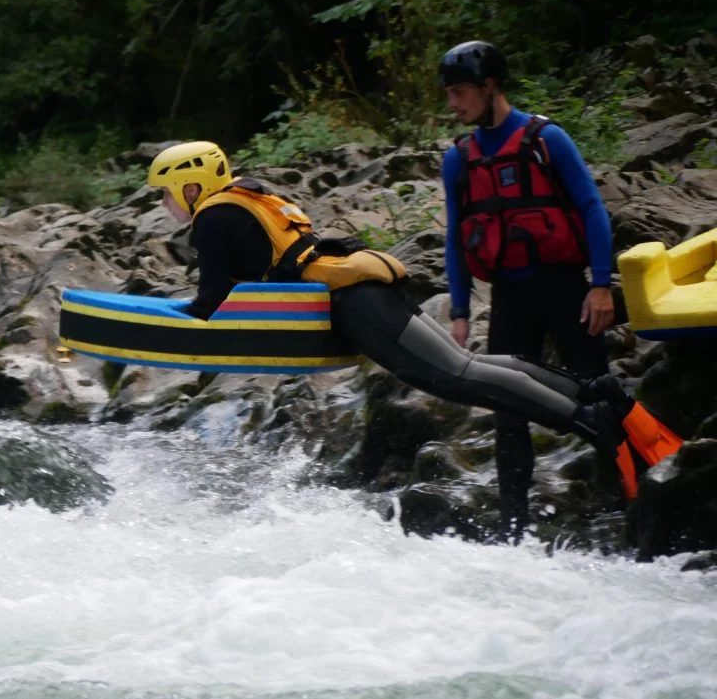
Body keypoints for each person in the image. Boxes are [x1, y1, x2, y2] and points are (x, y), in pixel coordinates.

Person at [147, 140, 666, 543]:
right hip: (367, 288)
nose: (164, 205)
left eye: (166, 194)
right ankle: (591, 392)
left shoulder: (212, 218)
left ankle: (588, 420)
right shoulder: (247, 196)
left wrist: (157, 323)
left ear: (192, 187)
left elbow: (209, 302)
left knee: (457, 377)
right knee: (466, 363)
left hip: (356, 304)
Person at [438, 40, 623, 538]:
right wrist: (460, 313)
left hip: (566, 291)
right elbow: (455, 239)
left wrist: (600, 286)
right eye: (449, 94)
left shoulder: (547, 139)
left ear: (489, 86)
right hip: (510, 300)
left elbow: (591, 208)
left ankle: (630, 499)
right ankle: (513, 527)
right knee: (508, 412)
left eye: (460, 92)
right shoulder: (458, 160)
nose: (453, 104)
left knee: (599, 395)